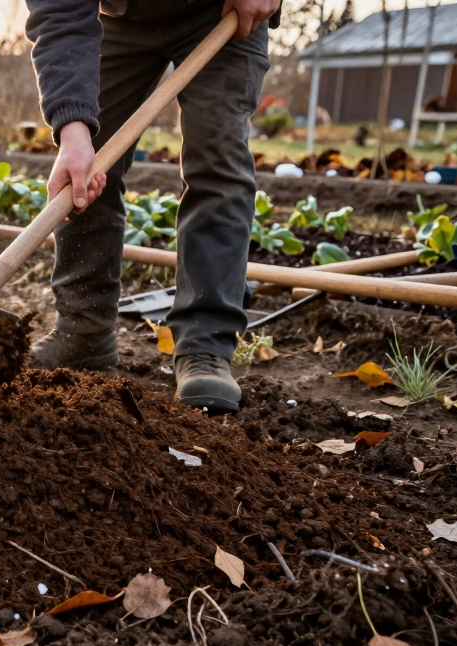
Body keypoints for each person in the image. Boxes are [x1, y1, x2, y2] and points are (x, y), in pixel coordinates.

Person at [24, 0, 280, 415]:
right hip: (122, 15)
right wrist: (73, 131)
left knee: (217, 158)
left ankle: (205, 346)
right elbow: (60, 12)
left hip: (222, 9)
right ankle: (83, 330)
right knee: (89, 161)